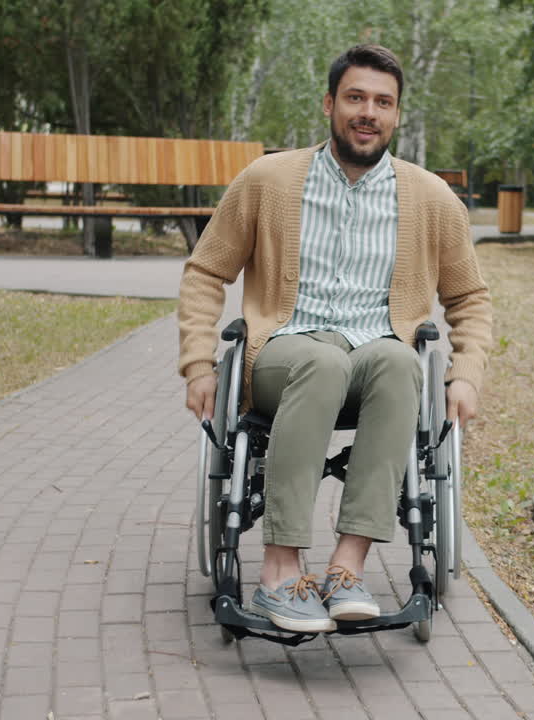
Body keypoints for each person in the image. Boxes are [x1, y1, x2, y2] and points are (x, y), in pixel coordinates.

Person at [178, 44, 492, 633]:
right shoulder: (268, 180)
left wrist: (466, 373)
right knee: (322, 362)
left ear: (396, 115)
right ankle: (279, 572)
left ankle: (346, 568)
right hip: (285, 351)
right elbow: (205, 271)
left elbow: (469, 298)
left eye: (382, 102)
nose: (367, 112)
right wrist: (199, 364)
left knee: (403, 364)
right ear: (330, 104)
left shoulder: (430, 198)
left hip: (376, 351)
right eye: (355, 98)